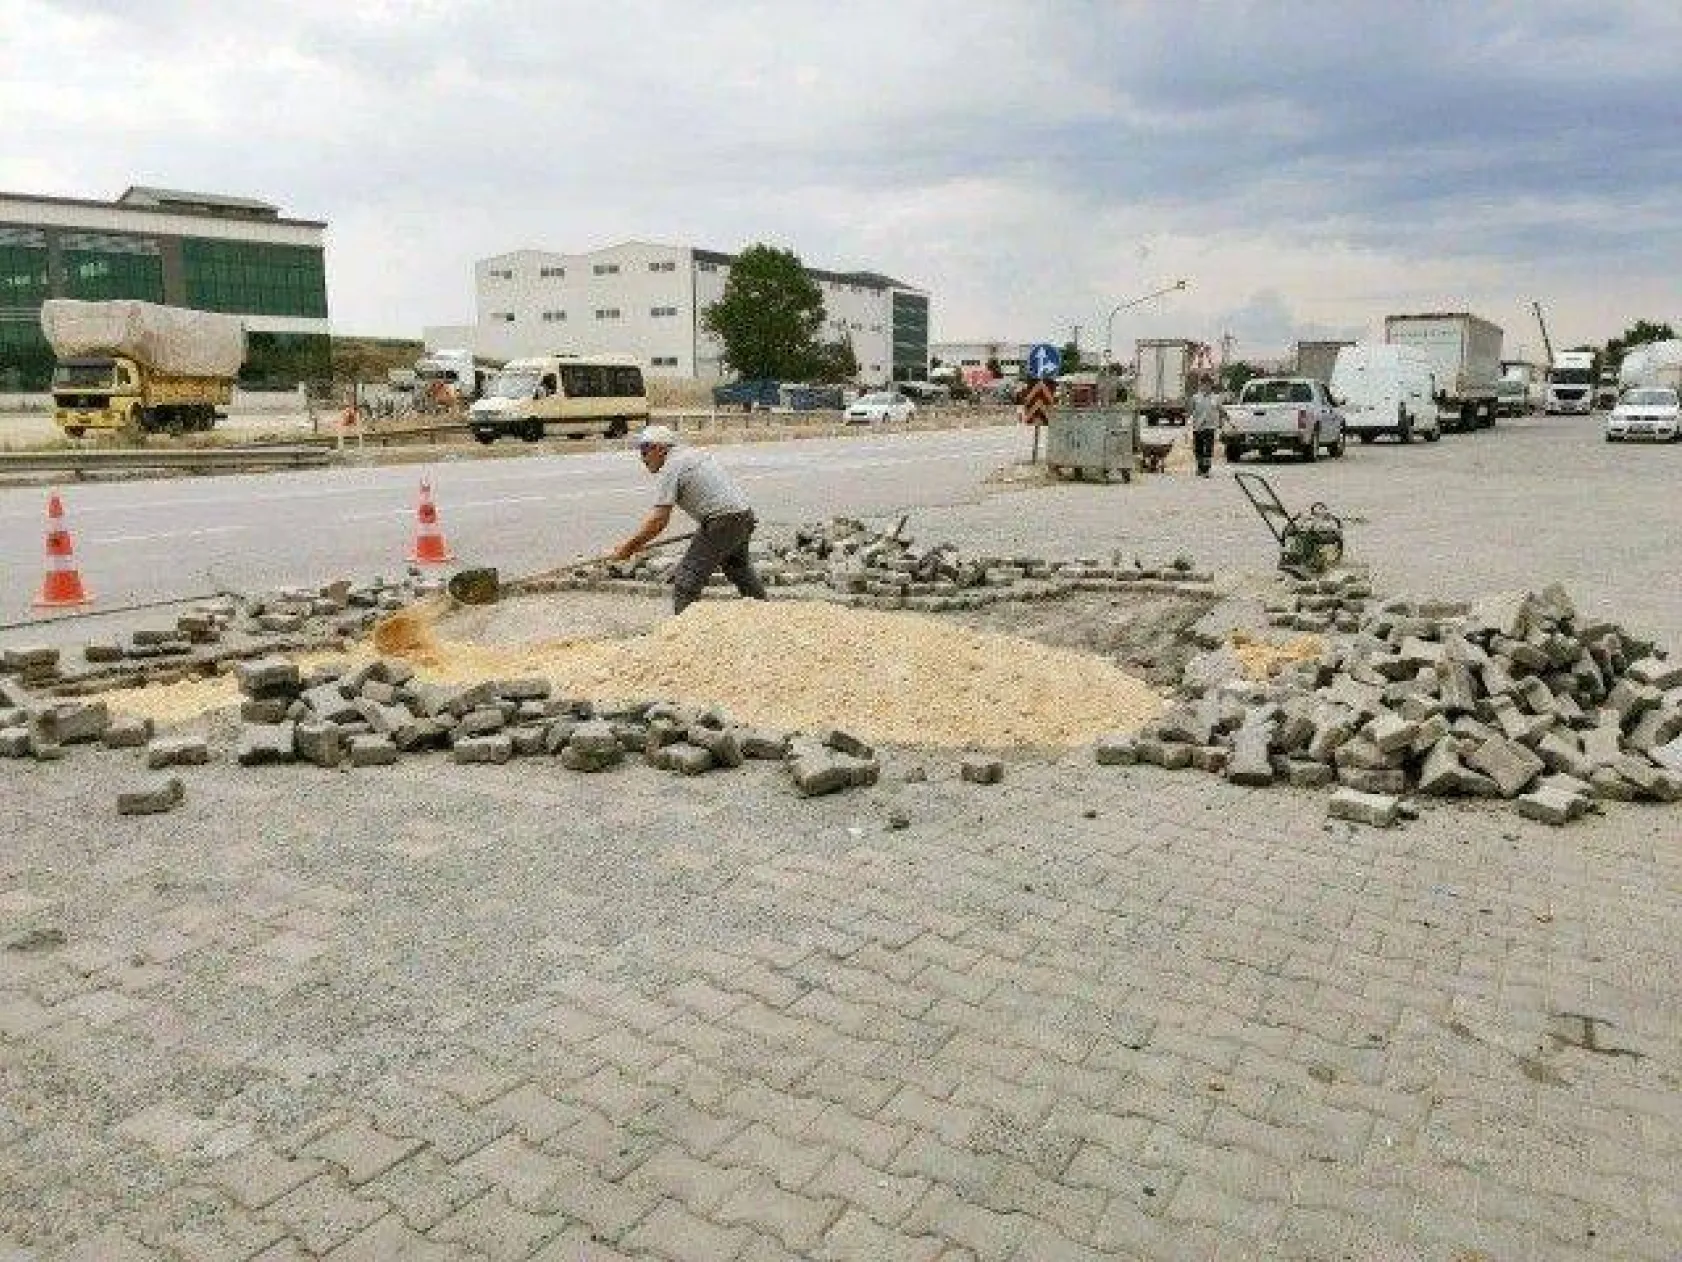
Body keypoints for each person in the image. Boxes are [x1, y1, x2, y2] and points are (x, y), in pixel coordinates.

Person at [611, 425, 769, 613]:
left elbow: (658, 521)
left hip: (723, 521)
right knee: (738, 570)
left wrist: (629, 547)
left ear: (660, 449)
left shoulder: (672, 466)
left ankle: (683, 634)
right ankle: (766, 617)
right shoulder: (692, 455)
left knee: (687, 579)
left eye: (645, 451)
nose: (642, 458)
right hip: (742, 515)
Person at [1189, 377, 1221, 476]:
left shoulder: (1216, 398)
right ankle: (1199, 467)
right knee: (1198, 449)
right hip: (1197, 427)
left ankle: (1206, 470)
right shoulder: (1195, 398)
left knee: (1208, 449)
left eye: (1208, 385)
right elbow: (1190, 410)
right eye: (1204, 385)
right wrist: (1187, 420)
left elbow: (1220, 409)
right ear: (1201, 386)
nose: (1206, 387)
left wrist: (1227, 420)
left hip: (1210, 427)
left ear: (1211, 386)